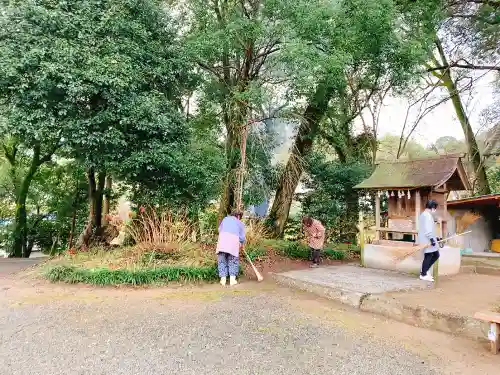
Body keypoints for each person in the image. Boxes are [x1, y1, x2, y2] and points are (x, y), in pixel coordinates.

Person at [216, 210, 245, 286]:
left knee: (222, 259)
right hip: (233, 242)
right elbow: (242, 237)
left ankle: (223, 280)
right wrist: (241, 243)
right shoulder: (240, 223)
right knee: (233, 260)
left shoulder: (225, 219)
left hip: (222, 241)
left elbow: (219, 230)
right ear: (238, 216)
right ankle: (232, 280)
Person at [417, 200, 440, 282]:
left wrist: (435, 237)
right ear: (432, 207)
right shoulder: (427, 216)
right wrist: (431, 239)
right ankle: (423, 274)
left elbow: (428, 229)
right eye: (435, 208)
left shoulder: (424, 214)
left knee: (435, 255)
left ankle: (424, 271)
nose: (435, 210)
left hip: (427, 239)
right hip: (427, 240)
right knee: (429, 256)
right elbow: (427, 230)